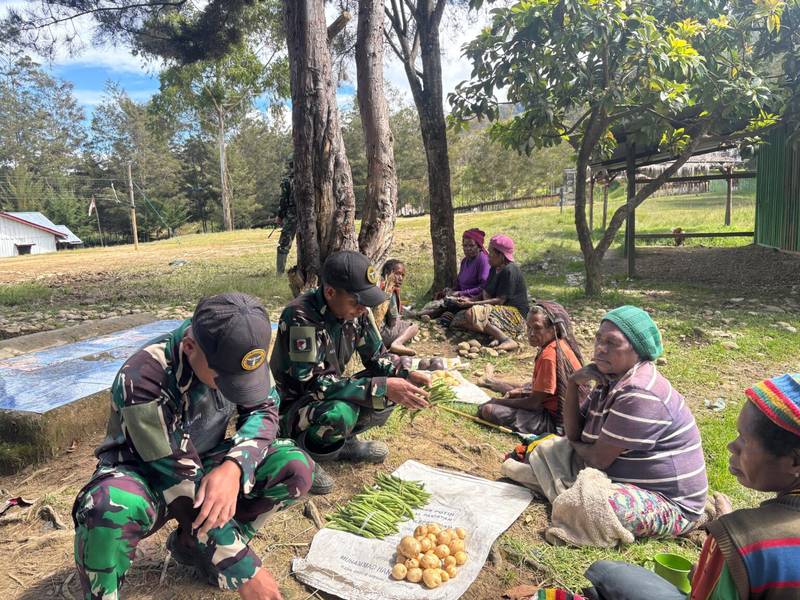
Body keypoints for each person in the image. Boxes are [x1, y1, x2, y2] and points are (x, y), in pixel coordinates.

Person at [72, 293, 313, 600]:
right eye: (225, 380)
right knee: (108, 506)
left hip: (203, 461)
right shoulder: (143, 378)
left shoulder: (239, 347)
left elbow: (264, 410)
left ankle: (197, 548)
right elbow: (178, 480)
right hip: (146, 476)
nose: (236, 388)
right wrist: (246, 569)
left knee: (293, 466)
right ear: (189, 348)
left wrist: (234, 467)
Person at [584, 373, 800, 600]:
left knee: (609, 574)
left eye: (744, 439)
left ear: (795, 461)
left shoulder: (739, 540)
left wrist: (724, 550)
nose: (731, 446)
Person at [503, 305, 708, 540]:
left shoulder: (638, 392)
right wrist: (572, 383)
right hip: (615, 473)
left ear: (637, 350)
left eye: (612, 343)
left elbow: (596, 458)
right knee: (549, 450)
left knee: (591, 505)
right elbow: (576, 433)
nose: (600, 349)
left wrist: (575, 445)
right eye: (598, 339)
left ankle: (698, 520)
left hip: (669, 502)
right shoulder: (609, 379)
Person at [270, 250, 432, 495]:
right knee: (341, 412)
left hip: (326, 391)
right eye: (356, 301)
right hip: (294, 406)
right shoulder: (300, 316)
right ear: (330, 292)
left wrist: (404, 375)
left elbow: (377, 357)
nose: (362, 308)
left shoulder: (358, 313)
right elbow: (315, 384)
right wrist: (382, 386)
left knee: (392, 388)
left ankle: (339, 443)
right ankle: (302, 453)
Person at [477, 301, 584, 435]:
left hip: (556, 421)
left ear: (554, 329)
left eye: (537, 328)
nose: (531, 333)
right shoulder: (558, 344)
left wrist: (498, 401)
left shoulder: (549, 356)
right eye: (528, 328)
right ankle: (491, 382)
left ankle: (491, 385)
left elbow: (534, 403)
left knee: (488, 410)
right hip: (563, 412)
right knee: (515, 391)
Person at [450, 234, 529, 351]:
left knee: (471, 314)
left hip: (514, 314)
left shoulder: (510, 270)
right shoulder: (494, 268)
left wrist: (471, 305)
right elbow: (484, 292)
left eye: (491, 253)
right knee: (457, 320)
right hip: (496, 311)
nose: (488, 256)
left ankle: (505, 339)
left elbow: (500, 300)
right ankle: (496, 332)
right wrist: (470, 299)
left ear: (501, 256)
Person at [412, 228, 491, 322]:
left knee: (450, 305)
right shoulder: (465, 261)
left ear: (479, 246)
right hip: (461, 296)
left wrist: (460, 294)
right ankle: (424, 315)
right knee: (444, 299)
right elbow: (459, 282)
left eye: (471, 245)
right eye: (465, 245)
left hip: (474, 298)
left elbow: (483, 287)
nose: (467, 249)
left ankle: (422, 315)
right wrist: (451, 290)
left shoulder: (483, 260)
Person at [375, 259, 419, 356]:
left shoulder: (376, 286)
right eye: (397, 274)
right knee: (414, 327)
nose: (400, 278)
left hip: (371, 334)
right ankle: (397, 343)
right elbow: (392, 322)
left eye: (402, 275)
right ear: (388, 273)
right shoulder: (389, 290)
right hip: (382, 335)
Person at [276, 159, 296, 274]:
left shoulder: (287, 181)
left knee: (284, 244)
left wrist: (280, 216)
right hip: (309, 216)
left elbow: (283, 200)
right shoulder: (310, 177)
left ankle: (280, 273)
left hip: (292, 215)